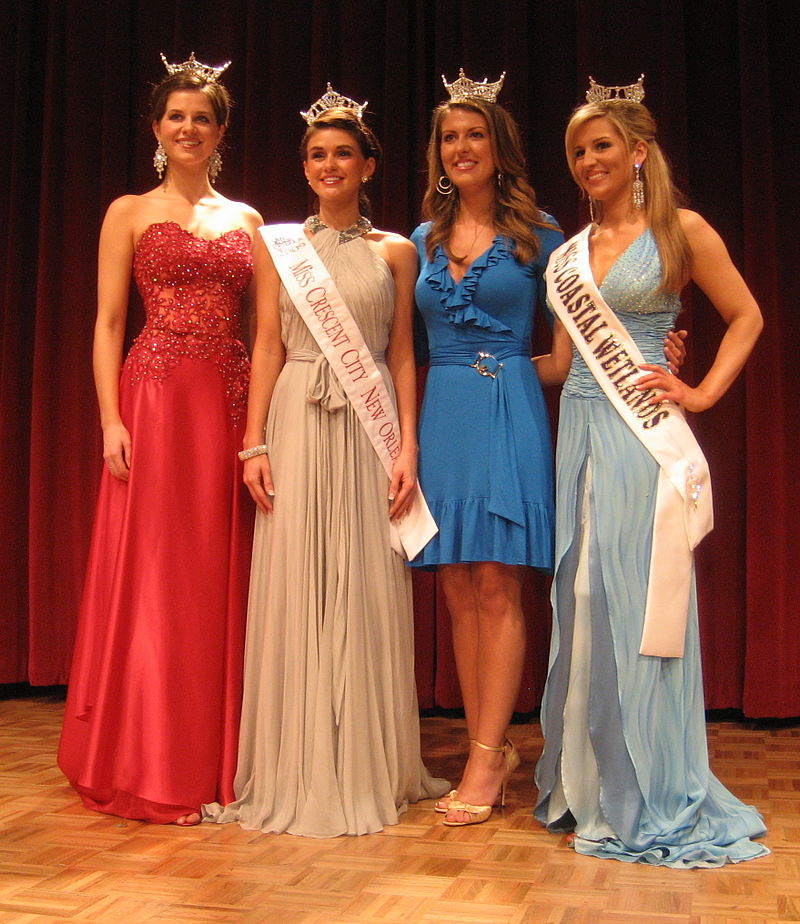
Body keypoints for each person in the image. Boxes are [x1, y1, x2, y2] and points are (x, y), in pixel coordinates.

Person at [533, 76, 768, 866]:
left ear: (637, 151)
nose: (588, 159)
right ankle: (593, 783)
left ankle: (649, 786)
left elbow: (747, 316)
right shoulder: (569, 254)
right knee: (584, 596)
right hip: (580, 433)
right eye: (576, 150)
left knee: (636, 600)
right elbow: (563, 364)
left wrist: (698, 390)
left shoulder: (680, 231)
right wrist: (477, 361)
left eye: (602, 145)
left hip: (643, 439)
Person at [203, 88, 448, 837]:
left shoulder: (397, 252)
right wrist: (253, 442)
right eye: (317, 154)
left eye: (344, 153)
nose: (329, 164)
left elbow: (404, 354)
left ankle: (369, 762)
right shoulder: (278, 245)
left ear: (368, 164)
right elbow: (268, 346)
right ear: (304, 167)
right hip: (299, 419)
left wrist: (407, 443)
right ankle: (297, 764)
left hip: (368, 421)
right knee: (299, 579)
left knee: (365, 580)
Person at [58, 53, 263, 825]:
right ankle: (150, 754)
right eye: (176, 116)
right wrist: (110, 418)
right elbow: (109, 323)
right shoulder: (128, 212)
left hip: (228, 404)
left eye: (202, 118)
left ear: (220, 133)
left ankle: (221, 755)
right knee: (156, 575)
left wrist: (258, 428)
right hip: (153, 401)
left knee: (217, 572)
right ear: (156, 128)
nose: (188, 128)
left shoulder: (246, 221)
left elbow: (257, 332)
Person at [408, 70, 565, 827]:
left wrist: (503, 367)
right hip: (442, 416)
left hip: (507, 410)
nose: (460, 147)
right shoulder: (421, 241)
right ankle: (488, 744)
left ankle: (485, 754)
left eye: (474, 134)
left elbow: (564, 360)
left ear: (499, 148)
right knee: (455, 583)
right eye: (449, 136)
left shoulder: (544, 233)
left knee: (498, 580)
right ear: (437, 153)